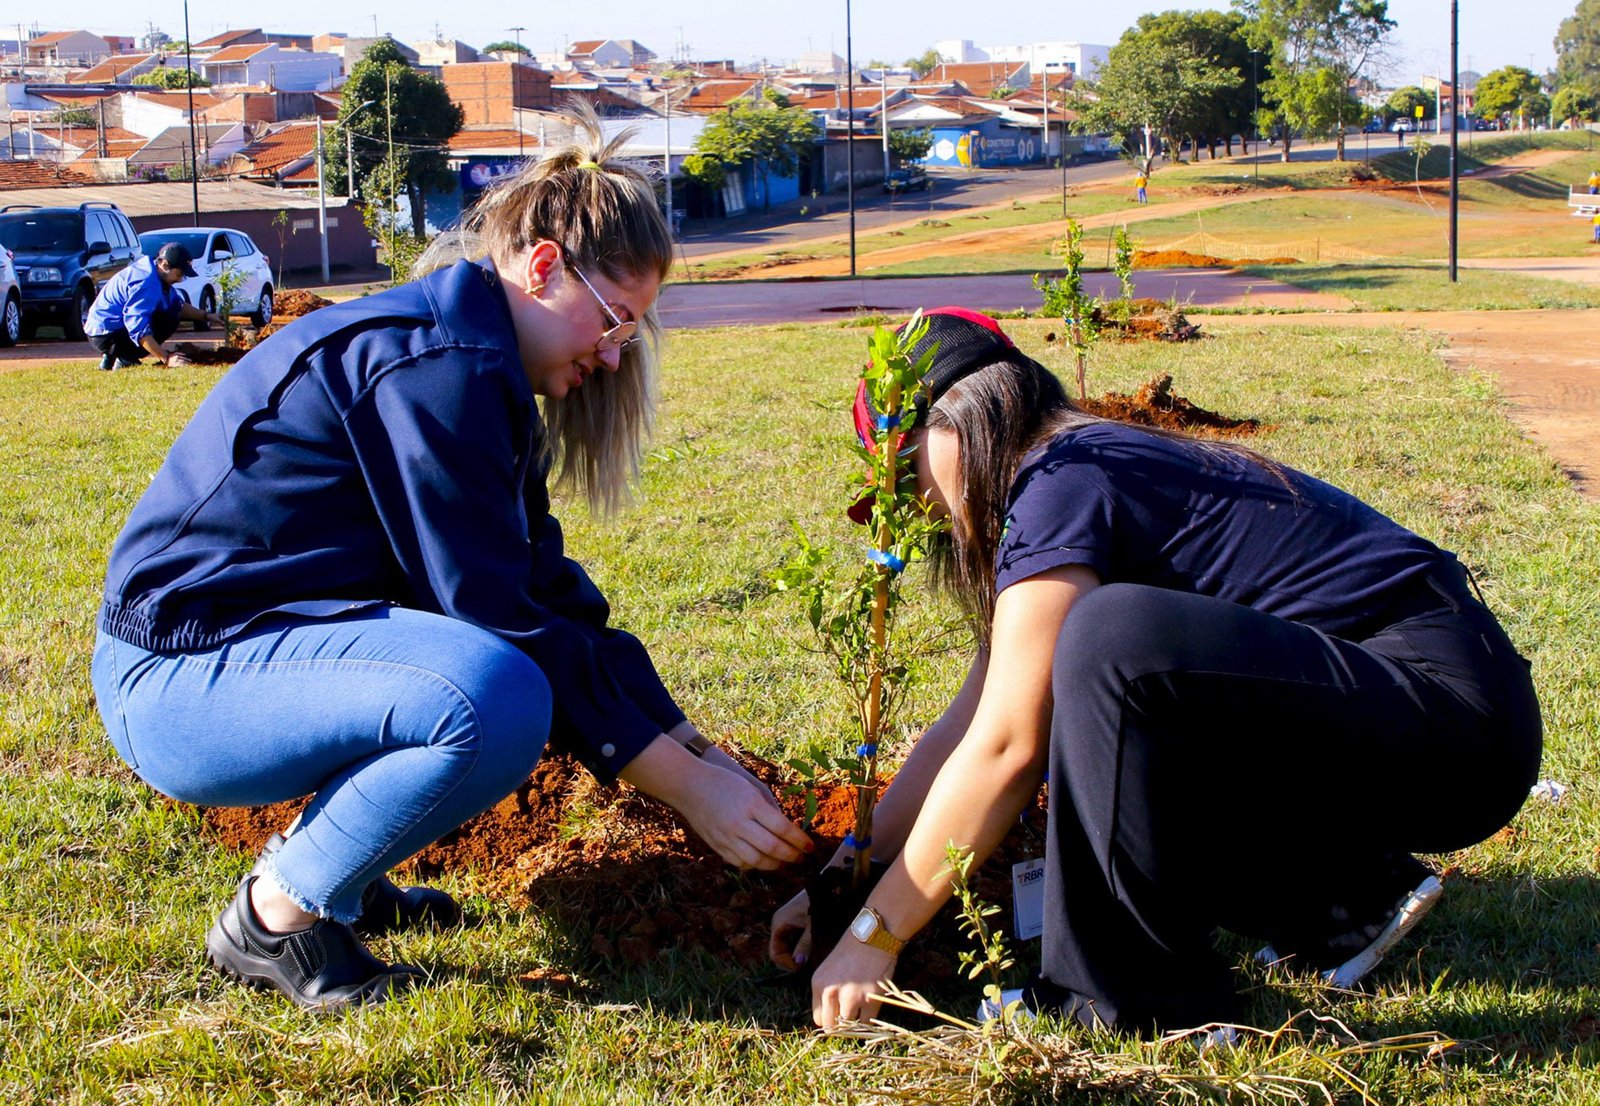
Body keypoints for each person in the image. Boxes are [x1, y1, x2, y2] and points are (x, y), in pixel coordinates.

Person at [90, 105, 810, 1011]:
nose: (617, 356)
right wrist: (685, 790)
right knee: (495, 692)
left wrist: (685, 740)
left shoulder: (478, 368)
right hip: (178, 683)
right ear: (545, 266)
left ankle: (343, 880)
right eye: (615, 321)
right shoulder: (437, 370)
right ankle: (273, 917)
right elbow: (497, 618)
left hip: (247, 656)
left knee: (488, 671)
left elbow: (547, 590)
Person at [772, 308, 1541, 1035]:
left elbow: (1008, 746)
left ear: (958, 419)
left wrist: (878, 936)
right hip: (1416, 712)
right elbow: (967, 727)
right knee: (1108, 674)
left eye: (909, 476)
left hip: (1450, 719)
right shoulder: (1068, 479)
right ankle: (1340, 901)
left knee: (1110, 638)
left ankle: (1127, 995)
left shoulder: (1059, 483)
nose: (921, 509)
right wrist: (842, 879)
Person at [85, 241, 211, 369]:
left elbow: (177, 305)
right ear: (165, 265)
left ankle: (111, 357)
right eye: (178, 274)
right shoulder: (146, 282)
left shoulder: (153, 271)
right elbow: (138, 327)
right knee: (169, 320)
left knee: (171, 312)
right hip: (107, 335)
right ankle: (125, 358)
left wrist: (207, 316)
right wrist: (166, 358)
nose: (179, 280)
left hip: (102, 331)